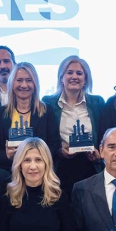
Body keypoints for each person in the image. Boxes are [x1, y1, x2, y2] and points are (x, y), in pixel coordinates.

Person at [42, 55, 104, 192]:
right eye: (69, 72)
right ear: (61, 78)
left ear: (85, 79)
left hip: (91, 167)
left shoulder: (97, 102)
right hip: (60, 168)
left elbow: (104, 135)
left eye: (79, 73)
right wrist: (59, 151)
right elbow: (45, 138)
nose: (74, 76)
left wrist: (99, 154)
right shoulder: (48, 103)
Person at [0, 62, 60, 171]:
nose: (24, 85)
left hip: (39, 172)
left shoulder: (47, 111)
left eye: (29, 80)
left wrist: (36, 156)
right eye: (19, 80)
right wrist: (6, 156)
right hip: (9, 173)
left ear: (35, 84)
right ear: (12, 83)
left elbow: (54, 144)